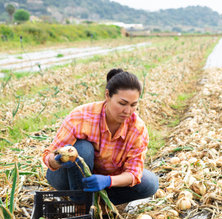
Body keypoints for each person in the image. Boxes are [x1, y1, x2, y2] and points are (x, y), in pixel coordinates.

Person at [43, 68, 159, 206]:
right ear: (107, 95)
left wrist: (108, 180)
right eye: (122, 104)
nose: (128, 111)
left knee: (150, 183)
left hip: (105, 182)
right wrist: (58, 160)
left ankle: (98, 202)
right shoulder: (81, 116)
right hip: (68, 178)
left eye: (133, 105)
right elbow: (48, 156)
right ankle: (82, 207)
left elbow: (134, 173)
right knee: (82, 149)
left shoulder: (137, 129)